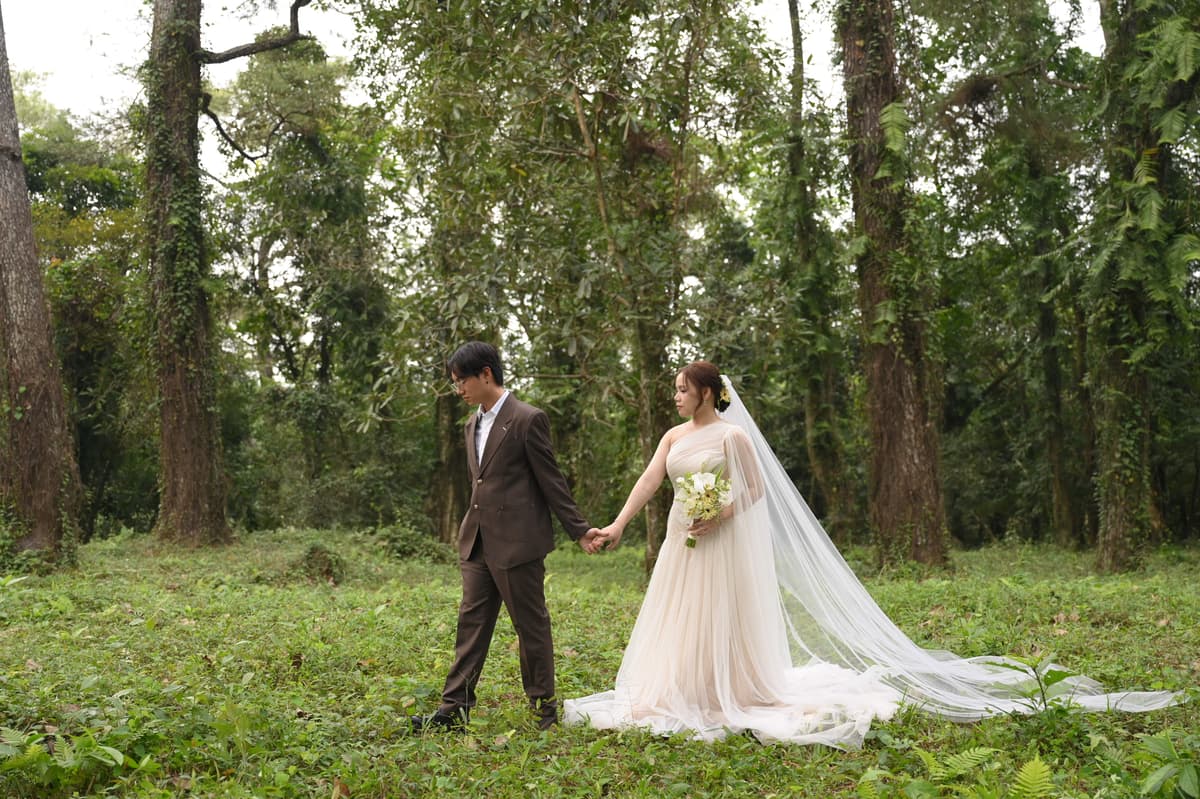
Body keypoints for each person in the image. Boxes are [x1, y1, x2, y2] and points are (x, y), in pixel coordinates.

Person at [565, 361, 1182, 747]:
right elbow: (651, 481)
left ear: (705, 392)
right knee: (679, 614)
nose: (674, 396)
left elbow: (754, 493)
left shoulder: (733, 436)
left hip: (716, 536)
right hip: (681, 539)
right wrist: (618, 526)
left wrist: (715, 513)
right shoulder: (674, 436)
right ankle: (684, 688)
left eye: (681, 388)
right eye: (674, 388)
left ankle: (731, 687)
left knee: (718, 613)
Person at [411, 342, 601, 734]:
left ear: (485, 374)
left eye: (461, 380)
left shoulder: (528, 419)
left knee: (530, 626)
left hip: (518, 543)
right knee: (471, 624)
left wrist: (579, 531)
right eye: (453, 383)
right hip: (478, 542)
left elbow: (552, 482)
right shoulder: (471, 424)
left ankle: (543, 712)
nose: (458, 389)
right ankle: (453, 710)